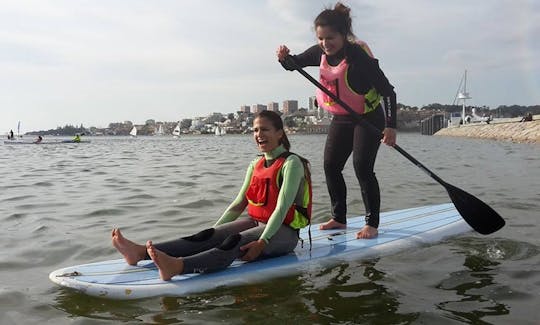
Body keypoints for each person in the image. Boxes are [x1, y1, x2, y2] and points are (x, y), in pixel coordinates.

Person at [112, 110, 312, 280]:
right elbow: (238, 204)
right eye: (255, 130)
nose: (259, 134)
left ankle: (178, 267)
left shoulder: (291, 163)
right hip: (257, 222)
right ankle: (139, 252)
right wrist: (215, 233)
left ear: (279, 133)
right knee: (207, 236)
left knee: (233, 241)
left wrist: (262, 242)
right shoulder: (256, 164)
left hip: (283, 233)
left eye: (265, 129)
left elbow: (281, 208)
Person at [276, 2, 397, 239]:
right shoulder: (319, 52)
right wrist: (284, 58)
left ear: (343, 35)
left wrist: (391, 127)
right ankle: (339, 218)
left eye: (330, 38)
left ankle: (372, 223)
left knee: (362, 167)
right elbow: (294, 64)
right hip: (342, 117)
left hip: (367, 118)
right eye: (321, 38)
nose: (325, 43)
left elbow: (388, 92)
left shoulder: (358, 57)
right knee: (330, 166)